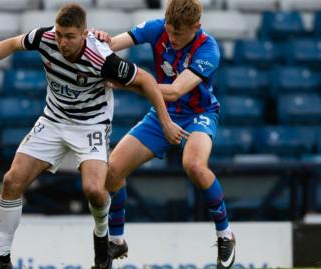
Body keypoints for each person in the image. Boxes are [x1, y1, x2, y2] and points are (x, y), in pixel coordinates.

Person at [0, 3, 188, 269]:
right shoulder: (45, 39)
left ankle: (102, 238)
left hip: (91, 125)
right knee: (11, 181)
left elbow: (146, 80)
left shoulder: (101, 58)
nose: (62, 42)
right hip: (54, 120)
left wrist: (166, 120)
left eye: (69, 37)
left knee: (94, 190)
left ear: (84, 34)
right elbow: (12, 44)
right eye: (59, 35)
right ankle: (2, 258)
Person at [94, 0, 236, 268]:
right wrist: (102, 40)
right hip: (162, 114)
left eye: (178, 34)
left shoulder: (208, 49)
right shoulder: (157, 28)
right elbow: (112, 44)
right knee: (112, 170)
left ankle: (225, 234)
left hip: (199, 115)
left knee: (194, 165)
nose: (171, 38)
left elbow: (174, 91)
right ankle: (117, 240)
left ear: (197, 27)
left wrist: (126, 83)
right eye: (169, 31)